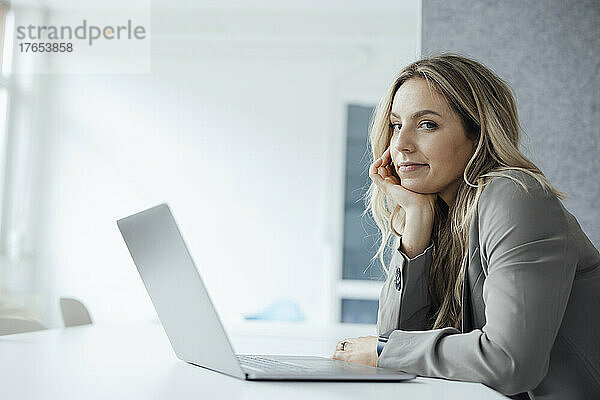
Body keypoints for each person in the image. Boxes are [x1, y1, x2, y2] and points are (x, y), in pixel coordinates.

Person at [330, 53, 600, 400]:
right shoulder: (443, 213)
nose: (400, 144)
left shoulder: (514, 197)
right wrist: (416, 220)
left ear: (477, 135)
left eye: (427, 124)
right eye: (396, 125)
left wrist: (383, 352)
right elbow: (401, 343)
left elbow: (509, 363)